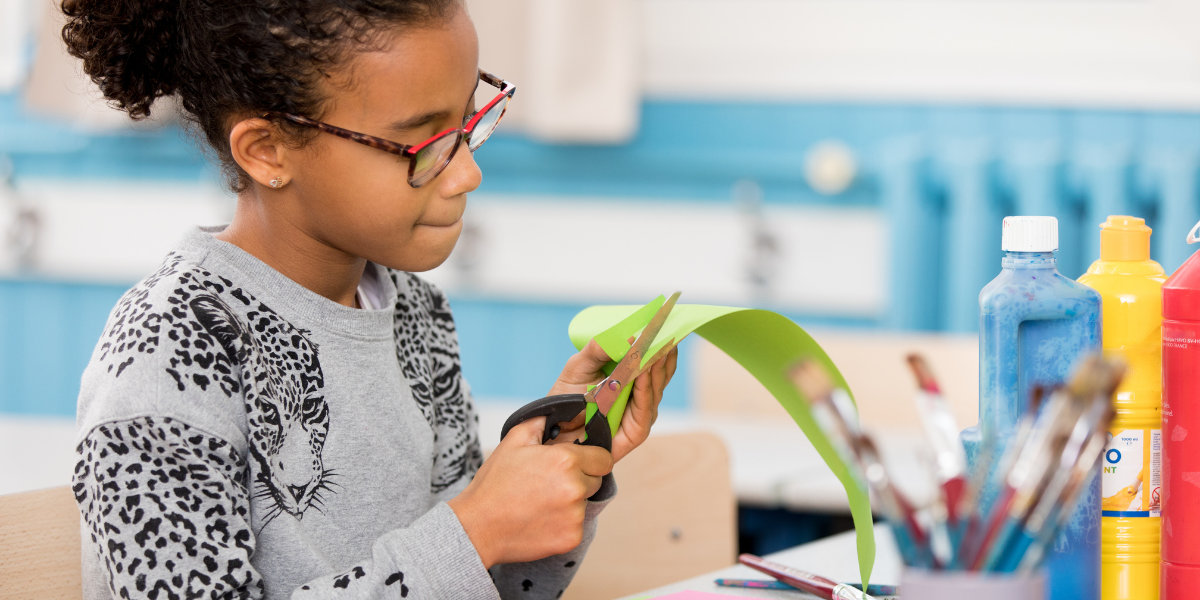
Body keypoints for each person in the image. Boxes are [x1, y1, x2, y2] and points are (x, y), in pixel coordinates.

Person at [60, 0, 678, 598]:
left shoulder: (416, 314)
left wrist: (555, 463)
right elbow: (458, 550)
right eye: (421, 143)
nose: (466, 174)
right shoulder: (170, 347)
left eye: (466, 125)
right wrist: (475, 530)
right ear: (267, 150)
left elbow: (476, 584)